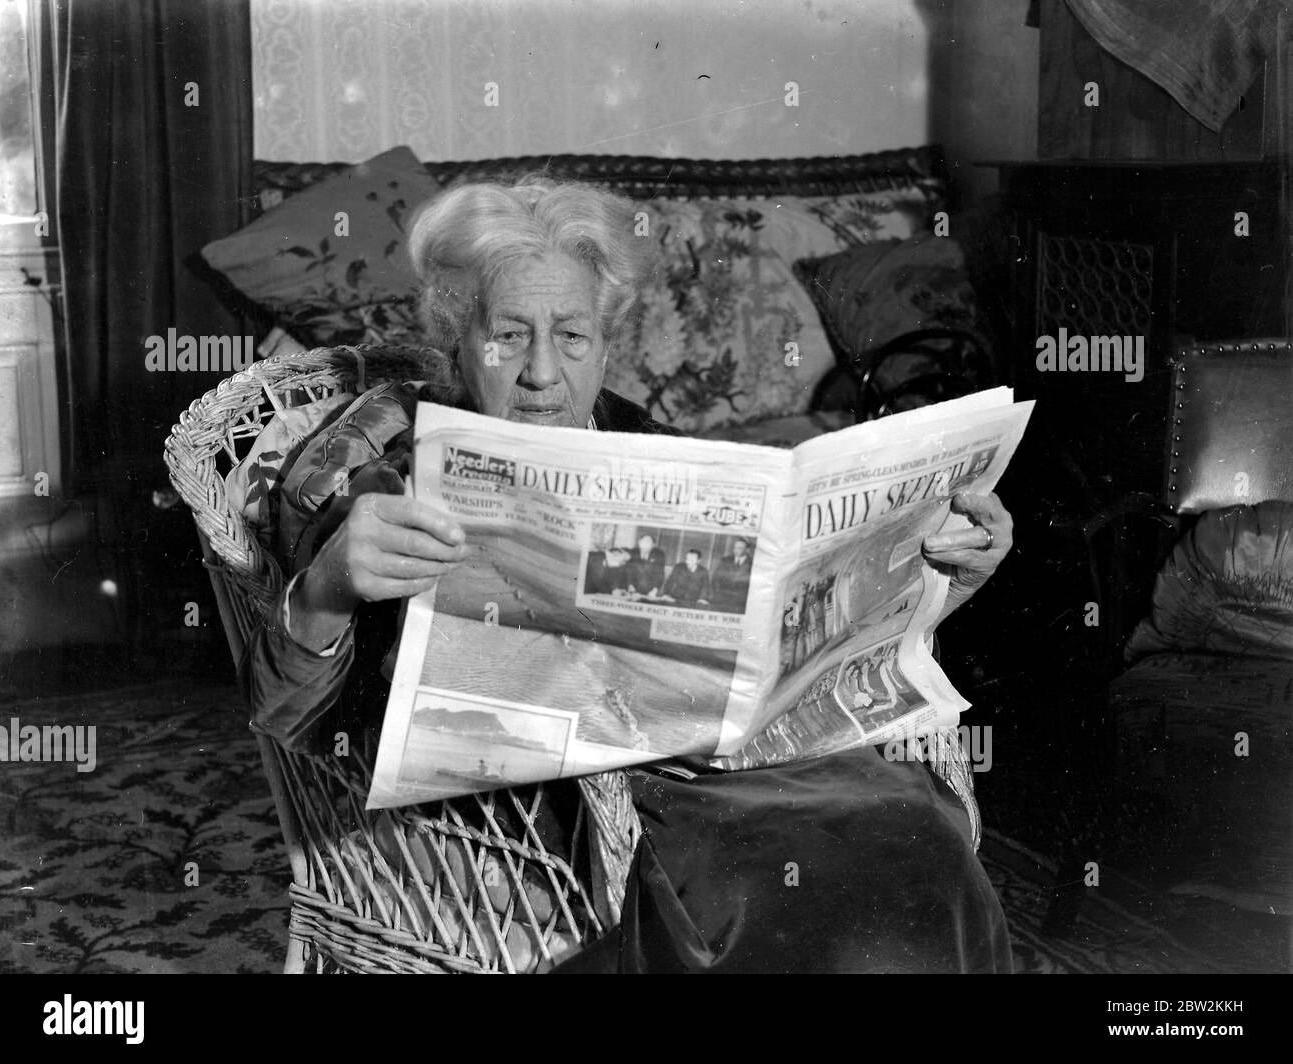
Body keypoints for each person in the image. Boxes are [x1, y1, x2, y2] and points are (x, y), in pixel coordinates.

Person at [242, 174, 1016, 973]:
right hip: (582, 808)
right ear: (457, 341)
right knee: (781, 902)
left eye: (572, 337)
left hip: (748, 761)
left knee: (919, 842)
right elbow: (287, 719)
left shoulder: (640, 441)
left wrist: (941, 575)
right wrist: (330, 588)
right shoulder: (386, 479)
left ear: (606, 345)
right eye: (508, 335)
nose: (543, 372)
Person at [710, 537, 752, 612]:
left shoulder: (752, 563)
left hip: (740, 602)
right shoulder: (725, 560)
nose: (736, 550)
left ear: (747, 550)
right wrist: (717, 594)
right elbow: (715, 578)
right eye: (735, 547)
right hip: (722, 599)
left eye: (740, 548)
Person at [627, 533, 666, 599]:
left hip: (650, 590)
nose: (645, 544)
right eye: (643, 541)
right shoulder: (633, 552)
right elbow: (628, 571)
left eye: (648, 542)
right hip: (633, 588)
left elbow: (660, 574)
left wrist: (655, 590)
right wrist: (630, 585)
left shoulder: (659, 554)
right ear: (639, 542)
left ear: (653, 545)